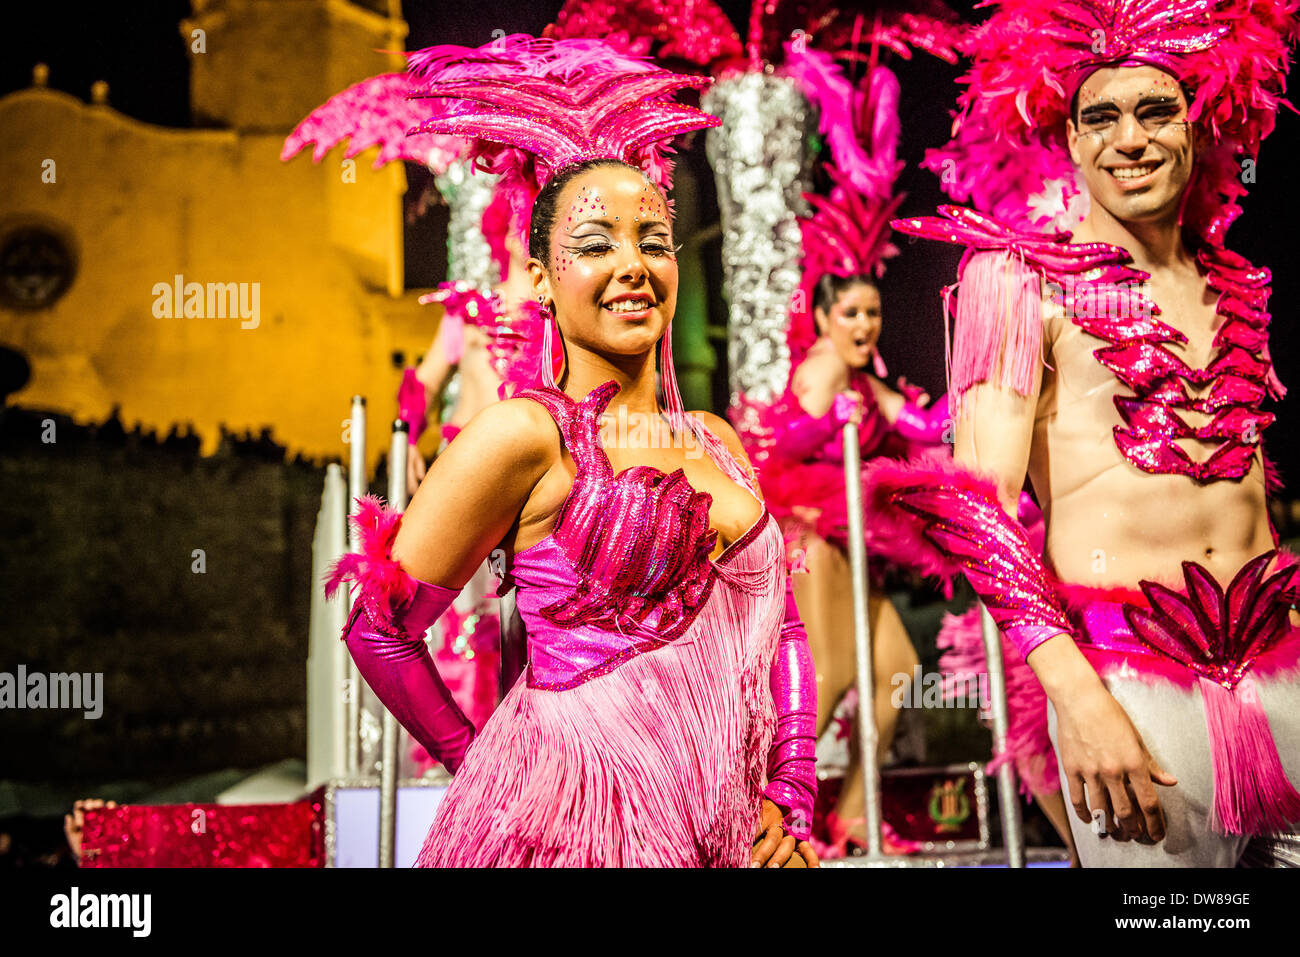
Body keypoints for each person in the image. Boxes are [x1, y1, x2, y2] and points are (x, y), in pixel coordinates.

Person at [327, 35, 820, 868]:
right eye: (596, 243)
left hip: (727, 836)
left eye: (653, 240)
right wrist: (479, 766)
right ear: (544, 276)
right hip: (568, 835)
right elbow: (379, 631)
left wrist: (791, 799)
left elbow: (784, 630)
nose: (632, 265)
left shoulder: (717, 440)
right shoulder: (525, 434)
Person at [871, 0, 1300, 866]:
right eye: (1099, 117)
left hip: (1283, 671)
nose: (1128, 139)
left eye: (1155, 111)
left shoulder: (1241, 284)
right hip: (1131, 692)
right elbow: (975, 512)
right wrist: (1078, 699)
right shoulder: (1018, 278)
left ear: (1199, 122)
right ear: (1068, 140)